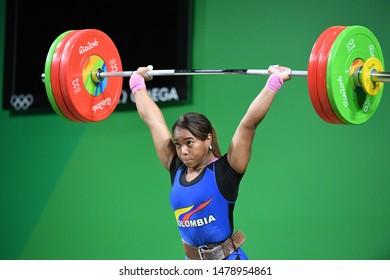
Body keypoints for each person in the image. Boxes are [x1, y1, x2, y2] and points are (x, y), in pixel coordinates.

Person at [129, 65, 291, 260]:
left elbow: (249, 123)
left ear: (207, 139)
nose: (183, 151)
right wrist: (137, 83)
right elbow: (153, 120)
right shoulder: (176, 168)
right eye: (178, 144)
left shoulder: (226, 170)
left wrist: (274, 82)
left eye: (189, 143)